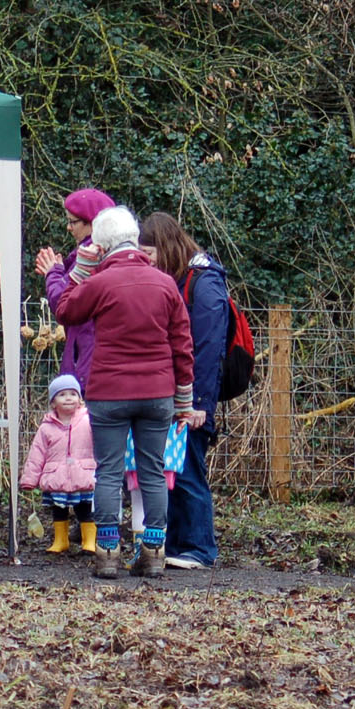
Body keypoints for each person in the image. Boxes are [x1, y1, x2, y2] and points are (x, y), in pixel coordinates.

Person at [55, 206, 201, 578]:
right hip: (157, 392)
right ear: (135, 239)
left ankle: (107, 552)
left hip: (109, 391)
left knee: (108, 471)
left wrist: (82, 268)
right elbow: (183, 346)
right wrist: (184, 401)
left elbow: (65, 310)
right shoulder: (165, 284)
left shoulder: (100, 283)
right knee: (153, 470)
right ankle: (153, 551)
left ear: (101, 246)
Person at [139, 211, 230, 569]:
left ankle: (198, 547)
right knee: (175, 467)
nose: (146, 260)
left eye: (149, 253)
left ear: (164, 247)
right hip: (178, 392)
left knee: (190, 466)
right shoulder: (181, 279)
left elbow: (208, 347)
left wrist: (199, 403)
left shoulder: (204, 282)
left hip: (193, 397)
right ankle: (178, 543)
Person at [34, 187, 116, 392]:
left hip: (87, 362)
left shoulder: (90, 258)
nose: (68, 227)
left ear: (92, 223)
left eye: (73, 222)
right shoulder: (109, 254)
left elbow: (62, 302)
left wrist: (53, 273)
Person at [21, 373, 97, 554]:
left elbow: (101, 447)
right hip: (56, 476)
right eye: (62, 395)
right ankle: (61, 540)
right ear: (53, 402)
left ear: (80, 399)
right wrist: (29, 479)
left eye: (73, 394)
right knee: (58, 510)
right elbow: (37, 454)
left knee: (85, 509)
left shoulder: (89, 422)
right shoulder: (46, 427)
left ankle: (89, 541)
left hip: (83, 475)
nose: (68, 398)